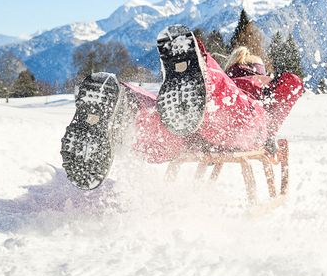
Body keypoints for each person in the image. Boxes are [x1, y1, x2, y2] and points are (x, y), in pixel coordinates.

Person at [60, 25, 304, 189]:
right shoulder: (258, 88)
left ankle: (126, 105)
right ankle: (203, 78)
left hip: (190, 130)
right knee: (228, 105)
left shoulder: (228, 78)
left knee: (156, 121)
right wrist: (273, 87)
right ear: (258, 69)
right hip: (235, 127)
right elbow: (294, 83)